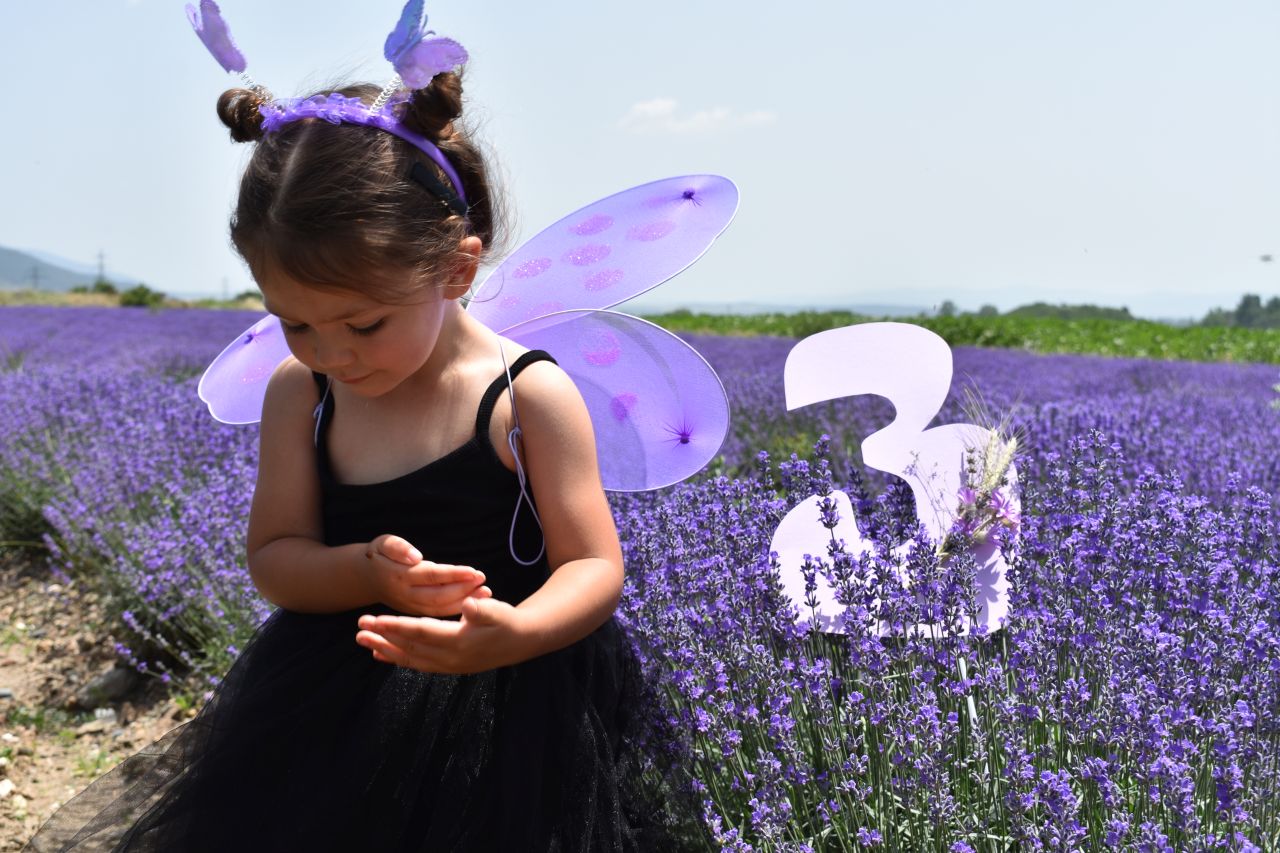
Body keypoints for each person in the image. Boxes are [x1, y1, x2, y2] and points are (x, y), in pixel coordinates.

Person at [25, 58, 709, 853]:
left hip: (518, 710)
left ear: (455, 269)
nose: (331, 352)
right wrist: (367, 572)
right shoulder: (302, 393)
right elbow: (275, 558)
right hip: (337, 700)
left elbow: (593, 565)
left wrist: (518, 630)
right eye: (294, 322)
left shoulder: (526, 397)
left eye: (363, 324)